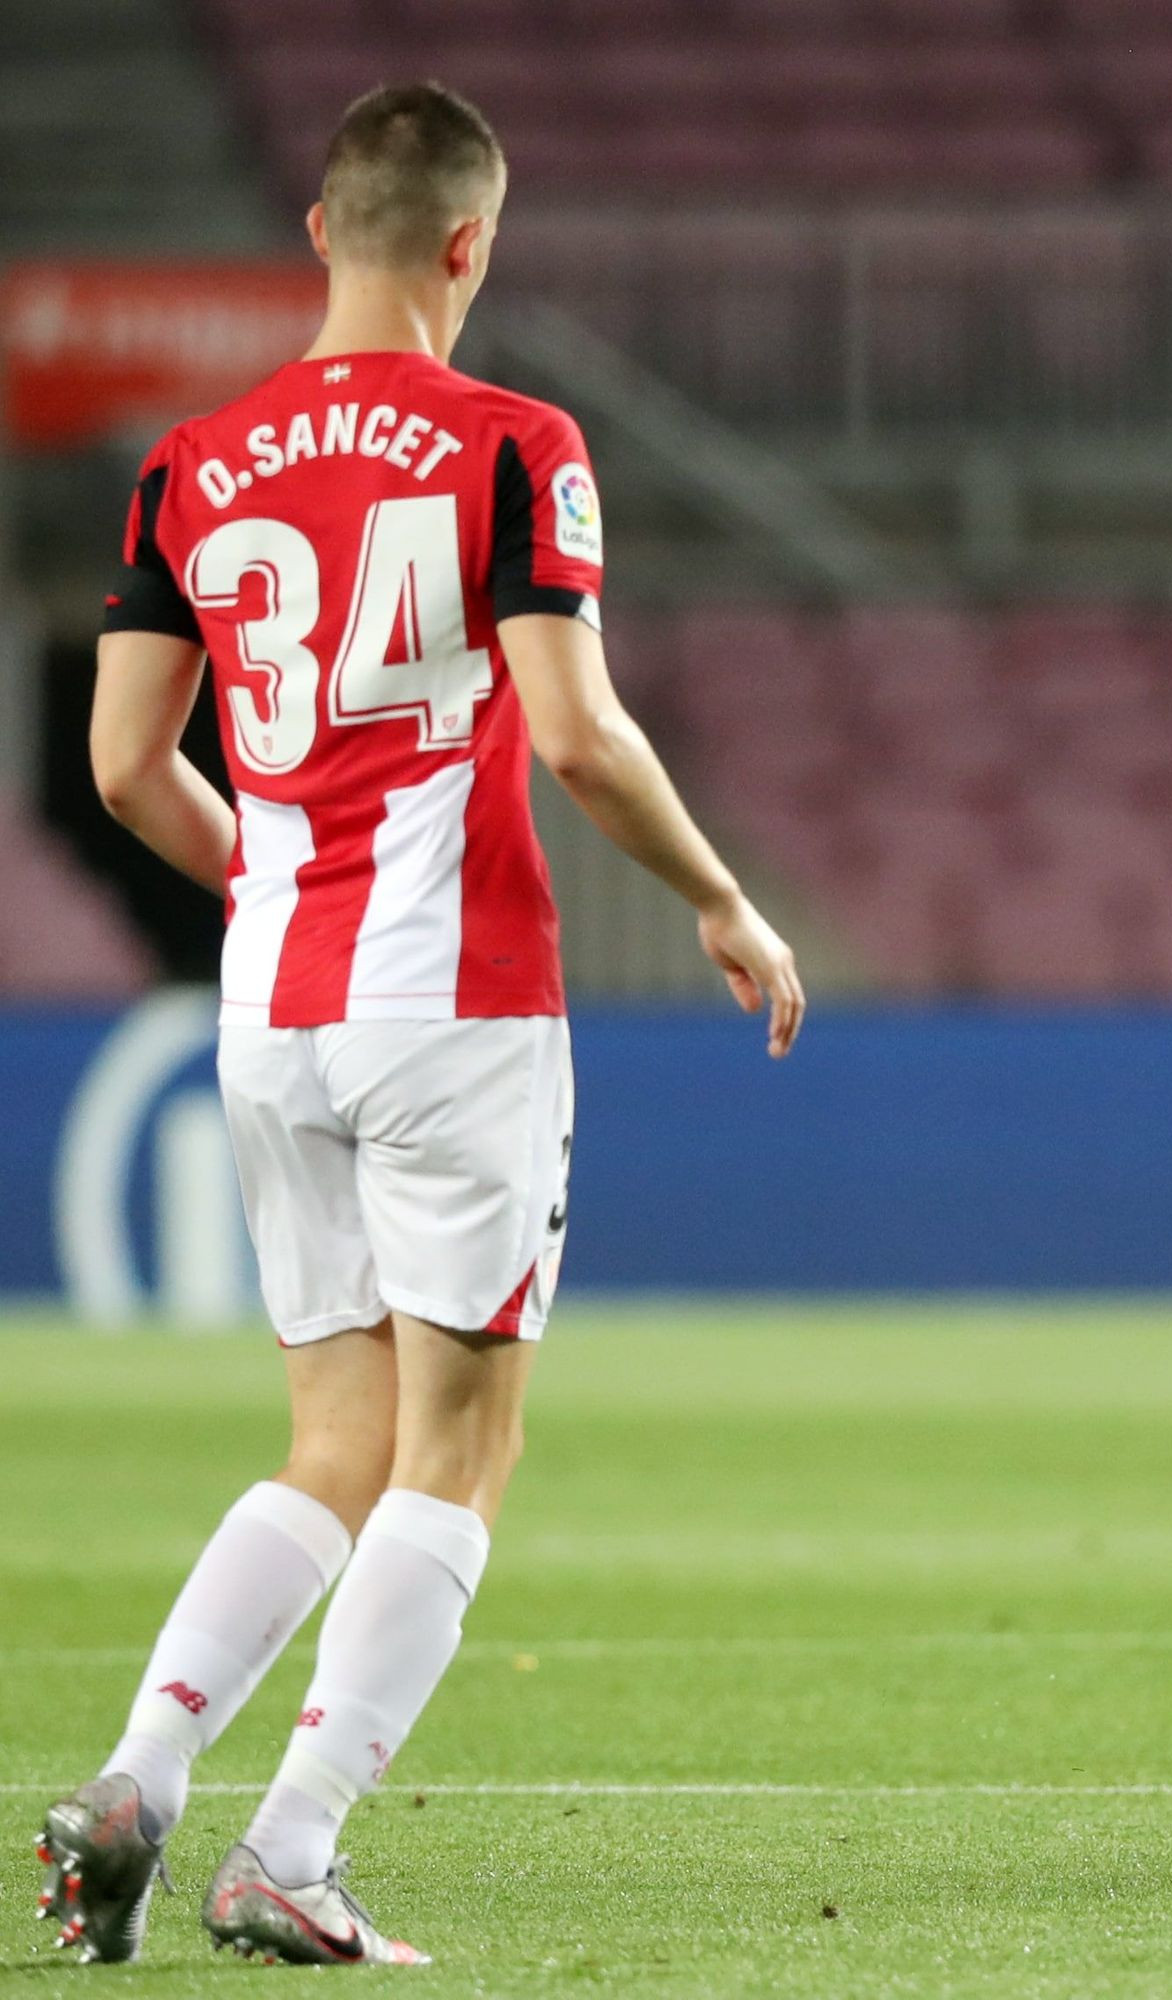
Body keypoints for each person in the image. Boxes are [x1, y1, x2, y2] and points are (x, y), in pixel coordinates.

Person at [35, 80, 803, 1965]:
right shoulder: (514, 441)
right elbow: (572, 731)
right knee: (456, 1454)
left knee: (331, 1442)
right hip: (451, 1000)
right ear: (473, 243)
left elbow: (127, 766)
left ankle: (140, 1771)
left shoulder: (190, 462)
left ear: (321, 231)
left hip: (271, 1000)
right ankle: (289, 1845)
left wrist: (267, 871)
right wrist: (717, 894)